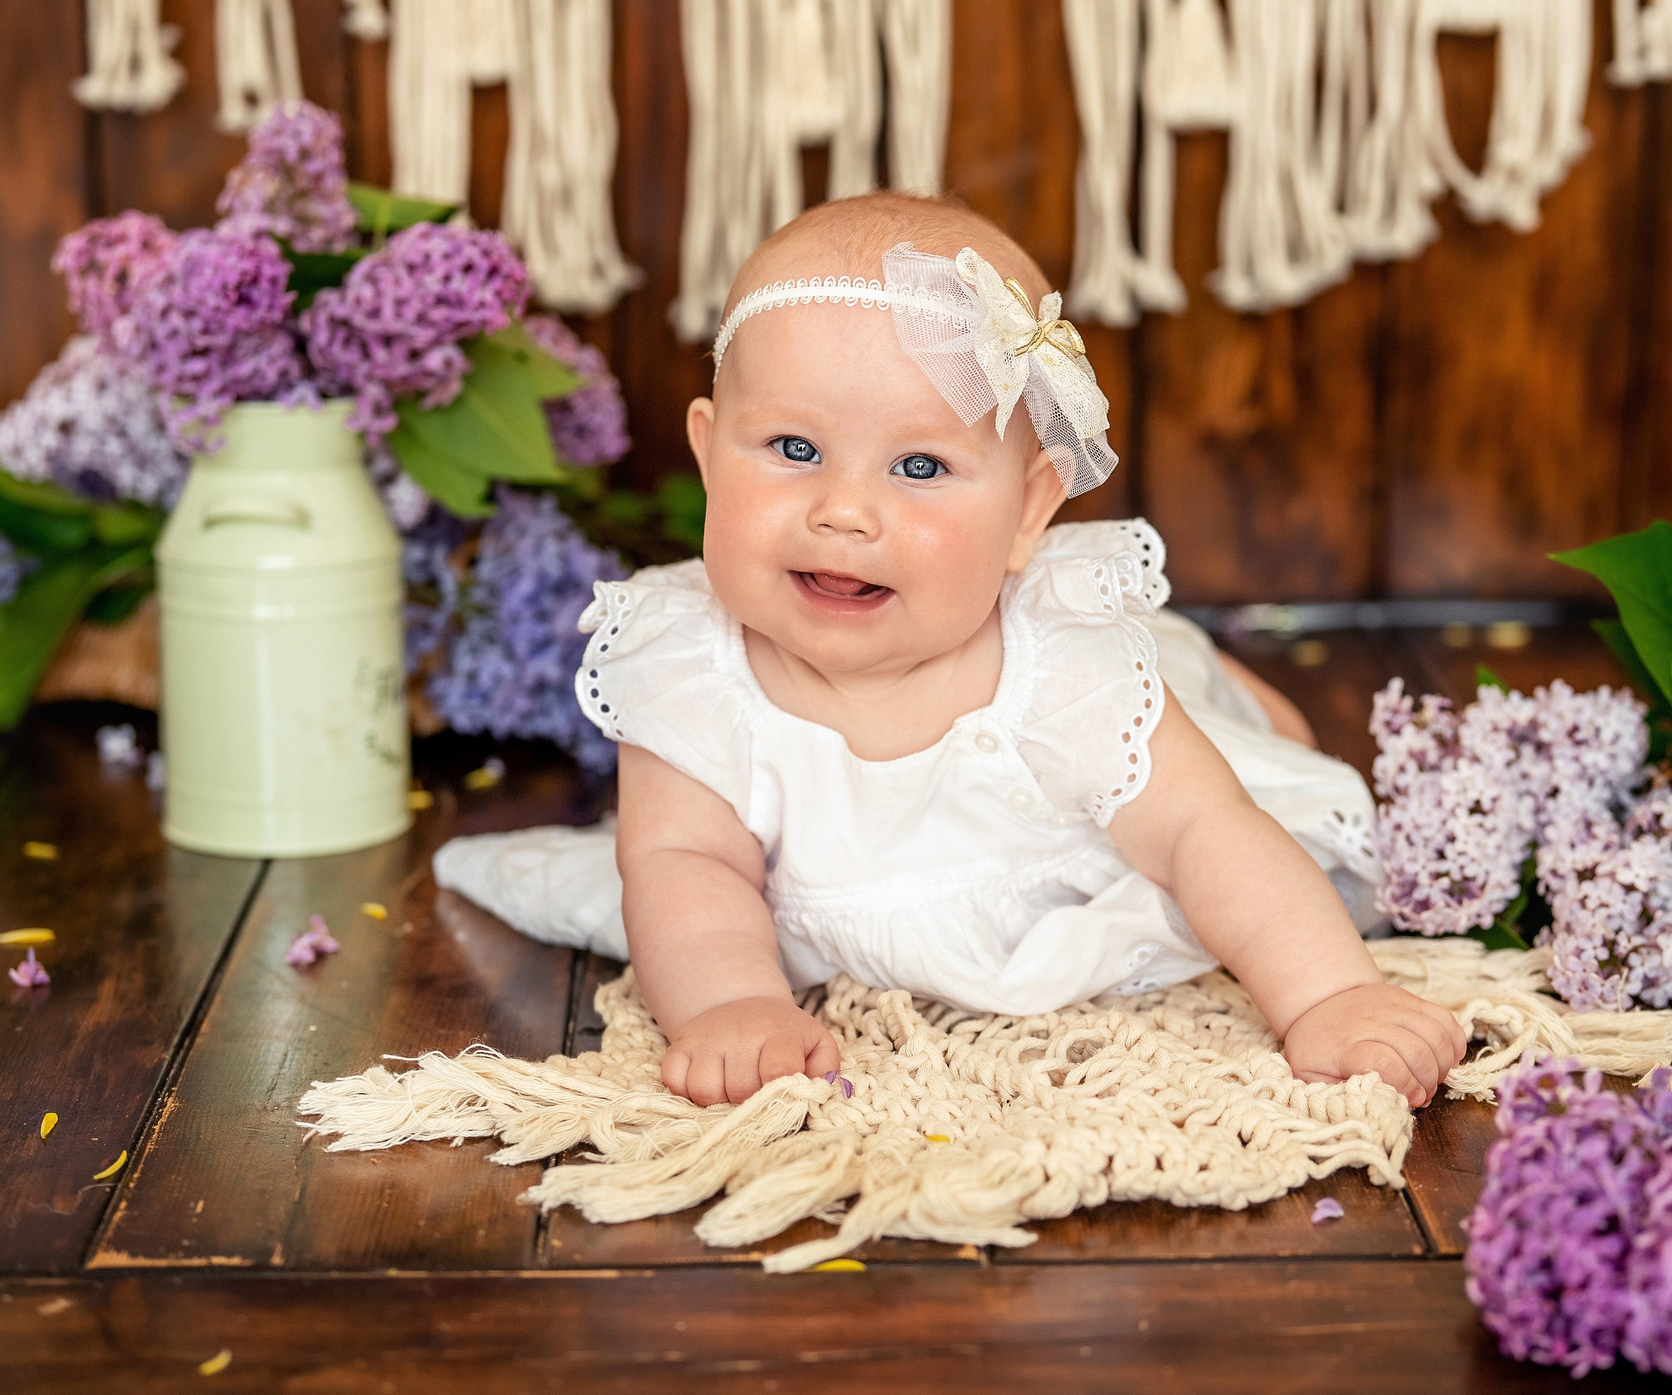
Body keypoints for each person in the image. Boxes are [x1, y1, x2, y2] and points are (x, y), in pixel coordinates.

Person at [434, 194, 1467, 1109]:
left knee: (1229, 742)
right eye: (793, 449)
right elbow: (682, 865)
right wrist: (736, 1004)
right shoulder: (690, 667)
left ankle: (1222, 680)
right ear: (708, 455)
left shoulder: (1063, 673)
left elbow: (1206, 832)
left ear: (1028, 512)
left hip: (1078, 817)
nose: (844, 511)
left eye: (920, 464)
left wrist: (1334, 996)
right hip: (860, 889)